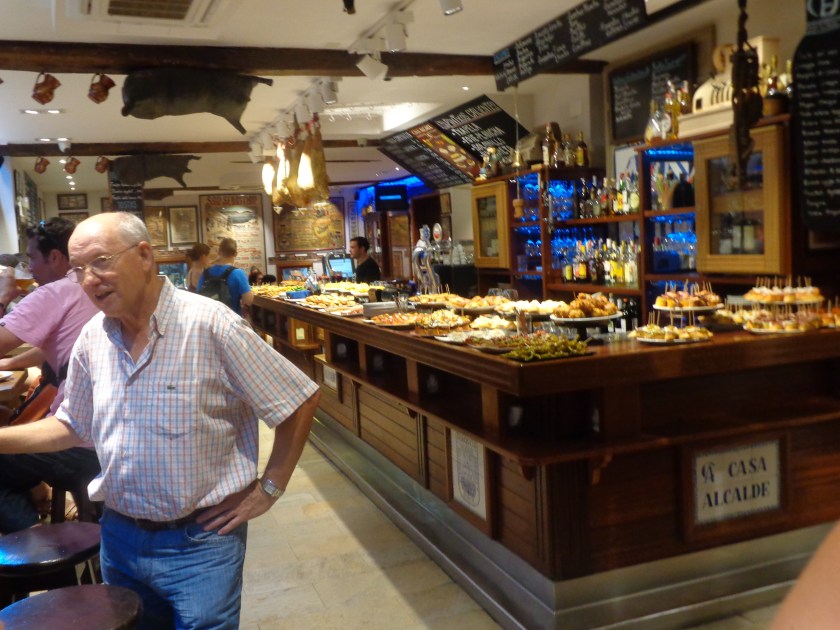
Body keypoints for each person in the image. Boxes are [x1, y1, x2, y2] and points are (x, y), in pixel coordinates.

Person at [0, 212, 320, 628]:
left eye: (100, 262)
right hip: (119, 536)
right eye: (79, 269)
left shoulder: (211, 324)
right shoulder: (94, 337)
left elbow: (298, 400)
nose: (89, 279)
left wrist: (269, 488)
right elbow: (72, 425)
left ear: (144, 256)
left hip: (200, 542)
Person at [0, 217, 100, 533]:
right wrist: (8, 364)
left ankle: (40, 548)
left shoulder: (56, 292)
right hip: (115, 439)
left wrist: (3, 297)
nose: (29, 268)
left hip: (79, 444)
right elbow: (53, 348)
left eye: (31, 258)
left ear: (55, 257)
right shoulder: (97, 288)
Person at [196, 237, 253, 316]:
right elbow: (248, 300)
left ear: (219, 252)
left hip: (210, 318)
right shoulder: (238, 273)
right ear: (235, 254)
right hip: (231, 319)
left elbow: (198, 296)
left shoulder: (205, 273)